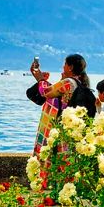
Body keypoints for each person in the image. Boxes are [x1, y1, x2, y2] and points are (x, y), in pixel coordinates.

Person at [29, 54, 90, 193]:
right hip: (69, 126)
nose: (63, 67)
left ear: (70, 67)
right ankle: (63, 188)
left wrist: (40, 78)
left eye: (65, 64)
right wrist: (40, 79)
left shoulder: (68, 82)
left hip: (61, 126)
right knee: (64, 158)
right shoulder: (77, 82)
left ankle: (59, 188)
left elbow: (46, 92)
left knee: (61, 158)